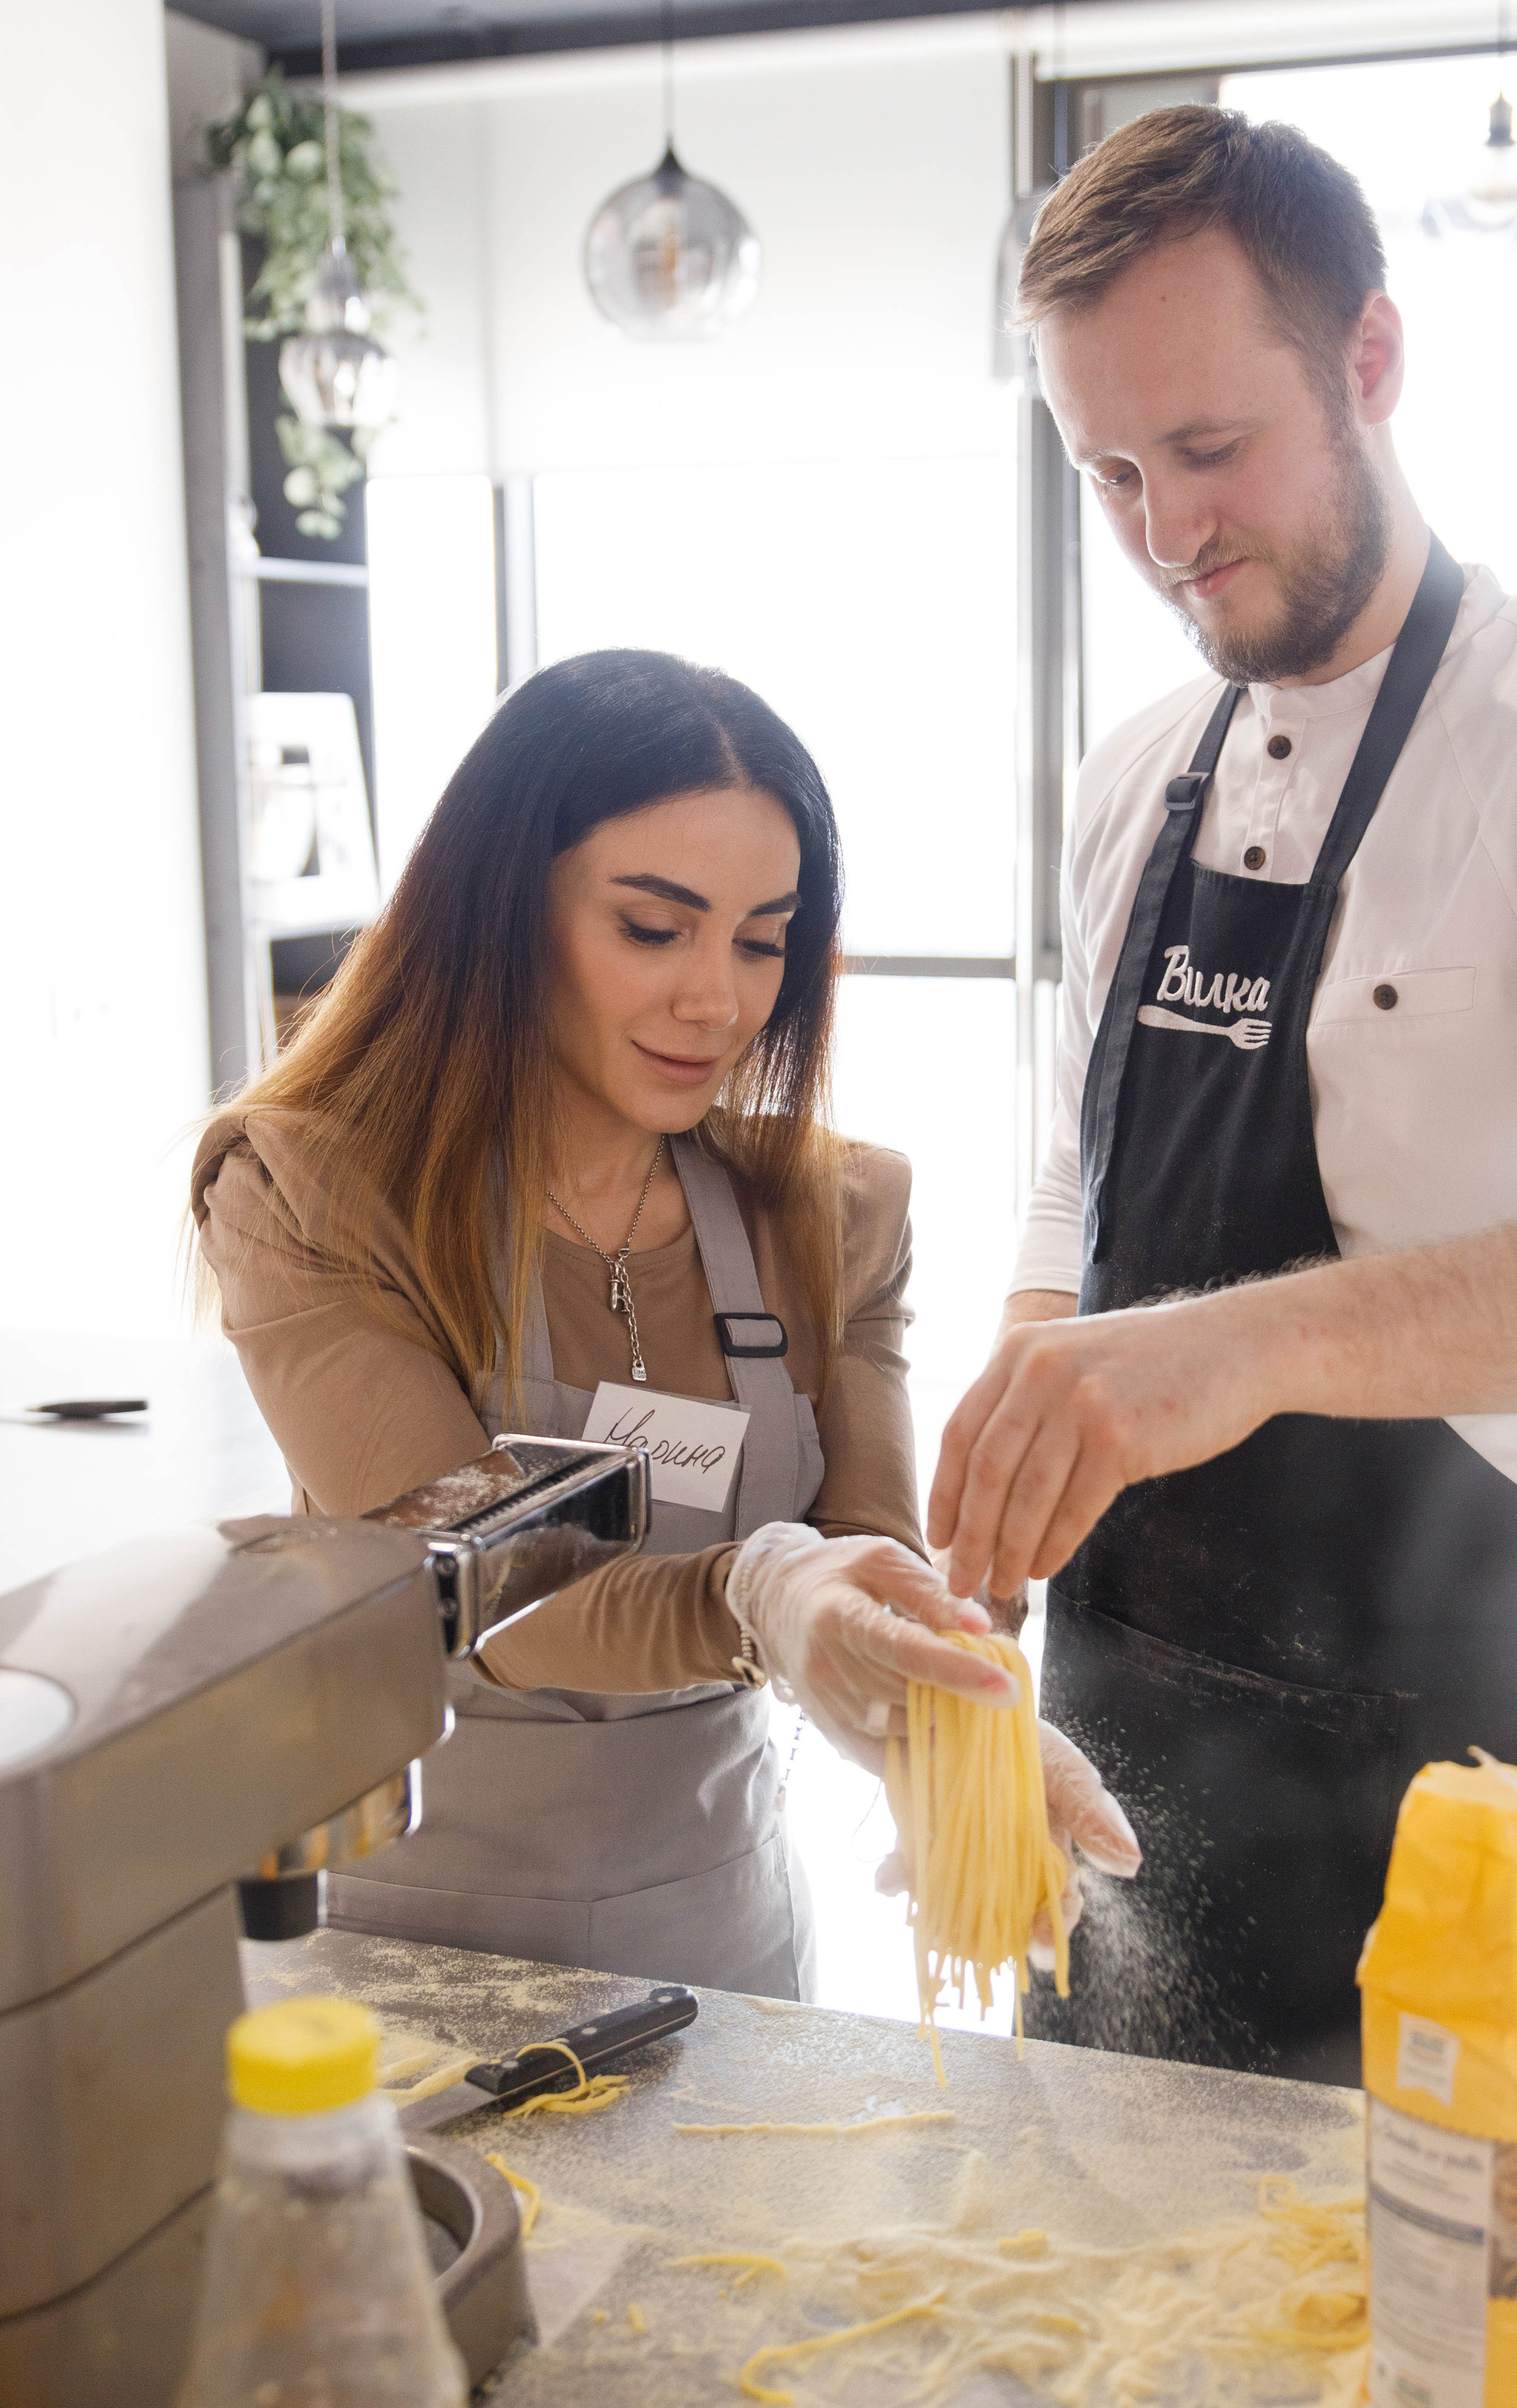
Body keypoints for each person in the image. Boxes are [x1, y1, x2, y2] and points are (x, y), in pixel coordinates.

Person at [929, 105, 1517, 2083]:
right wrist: (1033, 1410)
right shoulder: (1133, 778)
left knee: (1445, 2361)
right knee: (1088, 2309)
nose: (1169, 533)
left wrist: (1241, 1348)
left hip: (1463, 1781)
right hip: (1127, 1759)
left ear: (1369, 362)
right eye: (1108, 473)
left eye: (1210, 450)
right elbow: (1075, 1183)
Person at [195, 649, 1136, 1997]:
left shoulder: (834, 1211)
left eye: (764, 940)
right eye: (655, 927)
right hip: (404, 1948)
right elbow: (491, 1587)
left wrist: (952, 1713)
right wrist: (763, 1591)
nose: (721, 1000)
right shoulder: (313, 1195)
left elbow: (868, 1549)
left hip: (721, 1941)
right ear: (503, 911)